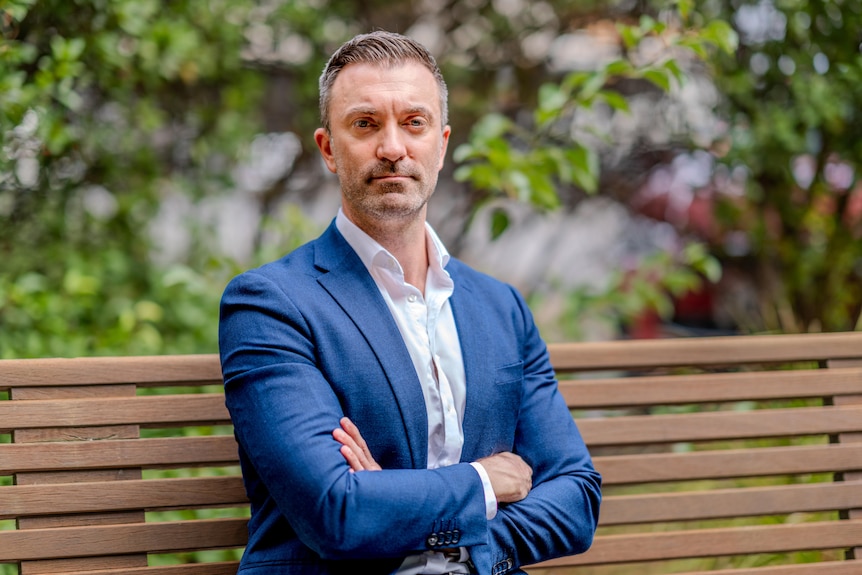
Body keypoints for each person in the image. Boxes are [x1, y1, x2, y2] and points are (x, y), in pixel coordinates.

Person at [219, 30, 601, 575]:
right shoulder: (271, 305)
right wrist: (485, 481)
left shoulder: (501, 308)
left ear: (441, 145)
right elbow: (339, 512)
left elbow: (577, 499)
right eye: (366, 124)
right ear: (329, 148)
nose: (393, 147)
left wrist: (438, 530)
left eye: (414, 123)